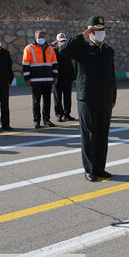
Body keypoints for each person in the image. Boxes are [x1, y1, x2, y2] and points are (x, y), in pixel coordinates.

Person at [59, 16, 117, 182]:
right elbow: (63, 50)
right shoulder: (81, 49)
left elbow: (111, 76)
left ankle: (100, 168)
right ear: (90, 30)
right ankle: (89, 169)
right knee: (89, 135)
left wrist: (113, 97)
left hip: (105, 99)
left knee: (102, 135)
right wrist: (82, 35)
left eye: (102, 30)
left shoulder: (108, 51)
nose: (100, 33)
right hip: (87, 98)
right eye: (96, 30)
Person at [22, 30, 58, 128]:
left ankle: (46, 120)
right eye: (39, 37)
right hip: (35, 80)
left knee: (47, 101)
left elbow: (54, 63)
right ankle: (36, 121)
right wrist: (27, 79)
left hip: (48, 80)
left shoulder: (50, 48)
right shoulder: (29, 48)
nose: (41, 38)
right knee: (36, 101)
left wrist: (55, 77)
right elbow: (25, 64)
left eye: (42, 36)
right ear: (35, 38)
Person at [52, 32, 76, 122]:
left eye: (64, 41)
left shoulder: (69, 52)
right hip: (57, 78)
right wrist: (51, 44)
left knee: (67, 97)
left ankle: (67, 114)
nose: (63, 42)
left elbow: (72, 63)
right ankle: (59, 114)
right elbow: (45, 48)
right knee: (58, 97)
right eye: (61, 41)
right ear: (57, 42)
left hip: (68, 77)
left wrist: (73, 75)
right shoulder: (54, 51)